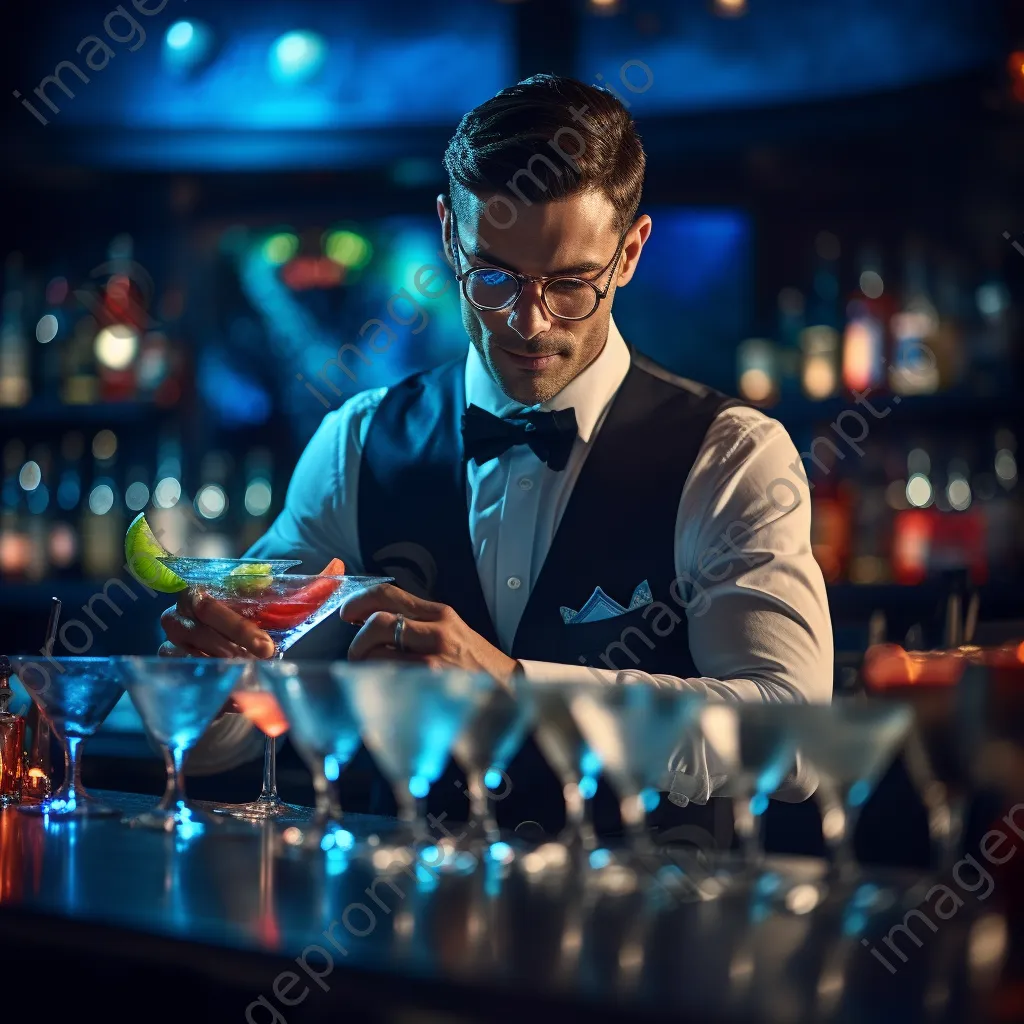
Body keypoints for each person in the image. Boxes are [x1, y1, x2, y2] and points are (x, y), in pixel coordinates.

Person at [159, 75, 832, 836]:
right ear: (449, 234)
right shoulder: (356, 442)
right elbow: (234, 733)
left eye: (572, 282)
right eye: (493, 276)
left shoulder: (731, 456)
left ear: (632, 251)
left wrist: (516, 690)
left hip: (646, 935)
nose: (529, 321)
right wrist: (208, 686)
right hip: (400, 938)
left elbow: (795, 739)